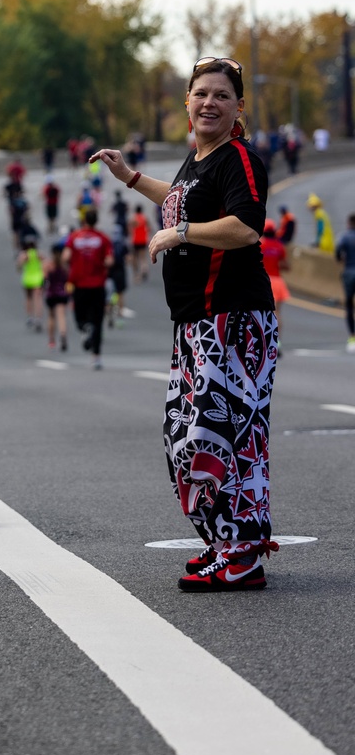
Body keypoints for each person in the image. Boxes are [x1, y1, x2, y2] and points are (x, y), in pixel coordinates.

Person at [94, 55, 278, 592]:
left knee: (222, 438)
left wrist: (180, 234)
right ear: (186, 102)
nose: (209, 103)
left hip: (234, 322)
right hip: (196, 326)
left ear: (239, 106)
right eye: (201, 93)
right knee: (187, 439)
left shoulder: (237, 158)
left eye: (222, 95)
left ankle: (242, 555)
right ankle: (225, 543)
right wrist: (129, 178)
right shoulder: (198, 160)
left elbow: (246, 227)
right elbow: (179, 201)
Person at [62, 209, 112, 369]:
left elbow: (66, 257)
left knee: (79, 316)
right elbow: (109, 260)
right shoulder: (103, 238)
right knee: (98, 321)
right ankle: (96, 356)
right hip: (97, 284)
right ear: (96, 221)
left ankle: (84, 327)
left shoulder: (75, 237)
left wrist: (71, 268)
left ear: (84, 220)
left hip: (79, 284)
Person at [260, 220, 290, 318]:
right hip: (277, 281)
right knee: (276, 313)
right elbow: (286, 266)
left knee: (260, 314)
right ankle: (276, 333)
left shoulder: (260, 244)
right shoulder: (279, 246)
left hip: (263, 280)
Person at [43, 243, 69, 351]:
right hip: (62, 293)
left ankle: (51, 339)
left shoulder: (48, 265)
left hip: (51, 293)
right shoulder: (65, 266)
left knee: (51, 316)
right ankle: (63, 335)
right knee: (61, 315)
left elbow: (44, 279)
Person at [336, 214, 355, 354]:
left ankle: (352, 337)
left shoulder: (345, 236)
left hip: (349, 272)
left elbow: (338, 251)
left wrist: (341, 259)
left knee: (349, 305)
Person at [17, 240, 44, 330]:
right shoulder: (38, 254)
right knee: (38, 299)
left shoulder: (24, 255)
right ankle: (38, 318)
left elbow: (19, 267)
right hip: (38, 277)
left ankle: (30, 316)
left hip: (28, 278)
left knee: (28, 298)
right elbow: (45, 263)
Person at [130, 206, 150, 281]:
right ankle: (144, 269)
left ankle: (136, 275)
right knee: (143, 257)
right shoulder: (145, 218)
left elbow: (130, 229)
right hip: (143, 240)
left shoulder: (133, 219)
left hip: (136, 240)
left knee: (135, 257)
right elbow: (149, 228)